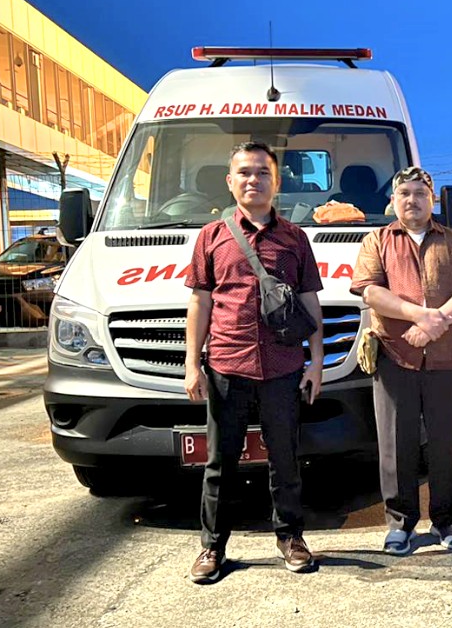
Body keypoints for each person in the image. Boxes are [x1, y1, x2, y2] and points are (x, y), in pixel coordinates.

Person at [184, 142, 325, 583]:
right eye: (244, 172)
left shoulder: (295, 238)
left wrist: (316, 361)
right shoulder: (211, 236)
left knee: (285, 459)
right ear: (230, 181)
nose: (253, 180)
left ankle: (291, 538)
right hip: (227, 364)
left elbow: (309, 302)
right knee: (220, 463)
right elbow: (200, 302)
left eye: (263, 172)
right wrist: (192, 364)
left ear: (276, 182)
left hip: (283, 366)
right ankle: (212, 546)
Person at [350, 166, 452, 555]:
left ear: (432, 200)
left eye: (420, 193)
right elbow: (370, 291)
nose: (413, 200)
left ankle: (447, 520)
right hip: (394, 357)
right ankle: (400, 523)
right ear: (393, 200)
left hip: (445, 360)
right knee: (396, 445)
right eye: (405, 193)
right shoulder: (377, 240)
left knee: (445, 445)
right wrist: (420, 315)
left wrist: (435, 324)